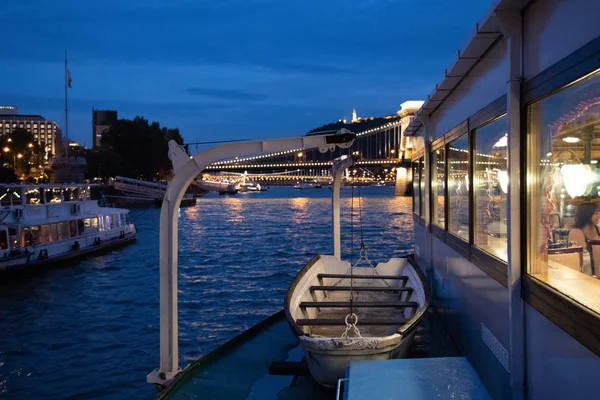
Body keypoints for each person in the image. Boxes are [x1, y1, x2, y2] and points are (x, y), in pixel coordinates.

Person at [568, 202, 600, 276]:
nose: (599, 216)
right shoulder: (576, 232)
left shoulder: (598, 229)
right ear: (587, 215)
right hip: (585, 274)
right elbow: (577, 259)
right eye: (595, 213)